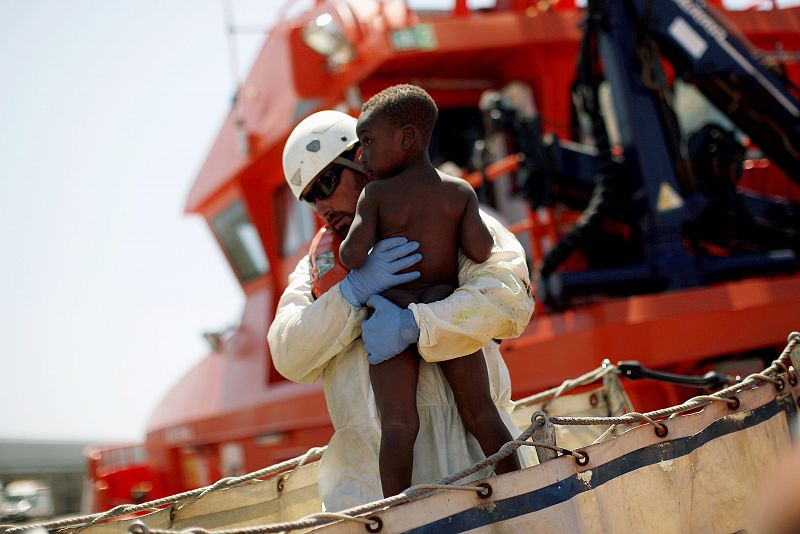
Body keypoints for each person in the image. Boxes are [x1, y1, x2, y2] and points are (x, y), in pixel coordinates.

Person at [268, 109, 534, 512]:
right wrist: (351, 294)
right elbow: (288, 353)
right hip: (374, 502)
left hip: (484, 484)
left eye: (325, 182)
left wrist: (417, 324)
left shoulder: (447, 210)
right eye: (309, 196)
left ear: (361, 159)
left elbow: (508, 297)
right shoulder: (314, 271)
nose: (320, 204)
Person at [339, 84, 521, 497]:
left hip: (390, 310)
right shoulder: (458, 192)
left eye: (367, 142)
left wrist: (366, 265)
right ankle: (525, 486)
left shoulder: (376, 195)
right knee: (481, 412)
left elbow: (351, 255)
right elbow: (481, 249)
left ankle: (396, 513)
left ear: (407, 138)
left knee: (399, 425)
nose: (362, 156)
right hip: (443, 307)